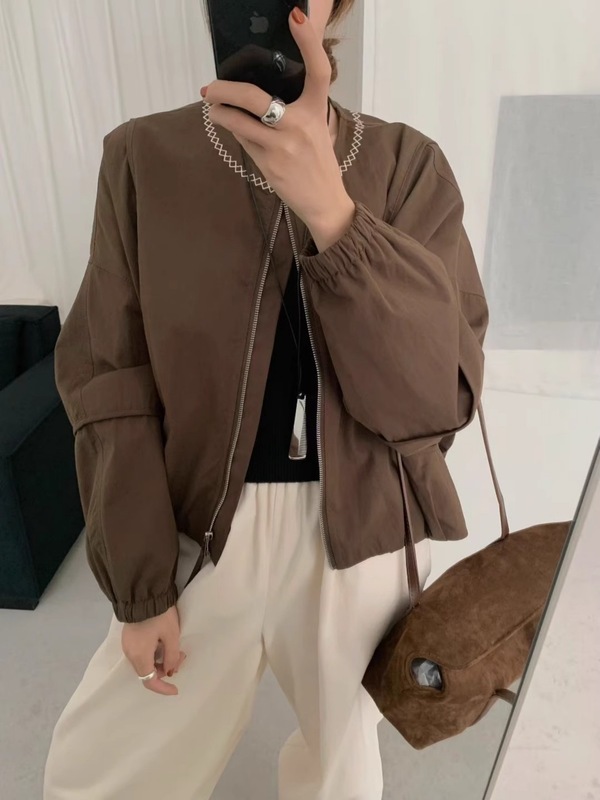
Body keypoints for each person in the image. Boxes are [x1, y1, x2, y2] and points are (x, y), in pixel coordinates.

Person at [43, 2, 489, 798]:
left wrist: (333, 213)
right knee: (110, 770)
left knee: (341, 775)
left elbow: (436, 401)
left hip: (362, 536)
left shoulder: (406, 162)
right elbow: (112, 375)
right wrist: (142, 585)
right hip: (200, 530)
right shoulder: (143, 157)